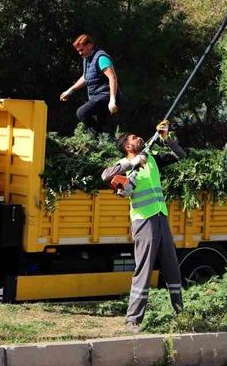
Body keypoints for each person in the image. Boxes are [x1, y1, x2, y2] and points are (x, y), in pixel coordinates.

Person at [101, 120, 184, 333]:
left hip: (160, 217)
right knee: (144, 269)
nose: (139, 138)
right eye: (134, 138)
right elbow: (105, 175)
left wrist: (166, 139)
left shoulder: (152, 160)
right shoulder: (124, 164)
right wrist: (135, 162)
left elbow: (180, 156)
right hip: (143, 221)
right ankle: (133, 320)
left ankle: (180, 312)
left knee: (172, 267)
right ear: (128, 147)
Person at [60, 34, 119, 135]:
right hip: (95, 96)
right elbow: (86, 77)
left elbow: (112, 77)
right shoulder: (87, 59)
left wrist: (112, 100)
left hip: (106, 95)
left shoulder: (101, 58)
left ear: (90, 45)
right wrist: (70, 90)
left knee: (81, 113)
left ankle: (102, 136)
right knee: (100, 128)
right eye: (78, 51)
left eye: (81, 50)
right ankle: (103, 140)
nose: (80, 53)